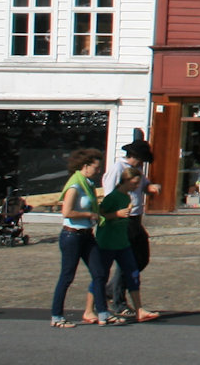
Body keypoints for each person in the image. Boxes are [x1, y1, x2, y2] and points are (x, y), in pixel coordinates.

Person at [101, 140, 158, 316]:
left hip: (136, 219)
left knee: (141, 258)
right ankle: (118, 301)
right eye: (141, 159)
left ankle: (111, 289)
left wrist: (151, 187)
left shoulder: (137, 171)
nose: (142, 163)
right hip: (123, 219)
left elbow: (144, 185)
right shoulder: (118, 169)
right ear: (135, 156)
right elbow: (109, 194)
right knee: (126, 261)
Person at [90, 167, 152, 325]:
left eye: (138, 184)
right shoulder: (113, 197)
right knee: (100, 276)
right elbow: (100, 216)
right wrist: (116, 215)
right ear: (125, 181)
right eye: (134, 183)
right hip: (108, 242)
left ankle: (139, 310)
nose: (136, 187)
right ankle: (89, 309)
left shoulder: (126, 197)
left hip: (122, 241)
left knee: (133, 273)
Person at [50, 149, 102, 328]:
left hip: (87, 234)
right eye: (96, 167)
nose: (98, 170)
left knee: (99, 272)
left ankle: (102, 311)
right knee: (67, 276)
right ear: (85, 166)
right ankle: (57, 316)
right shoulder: (75, 185)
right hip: (72, 235)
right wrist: (89, 214)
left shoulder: (88, 184)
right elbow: (67, 212)